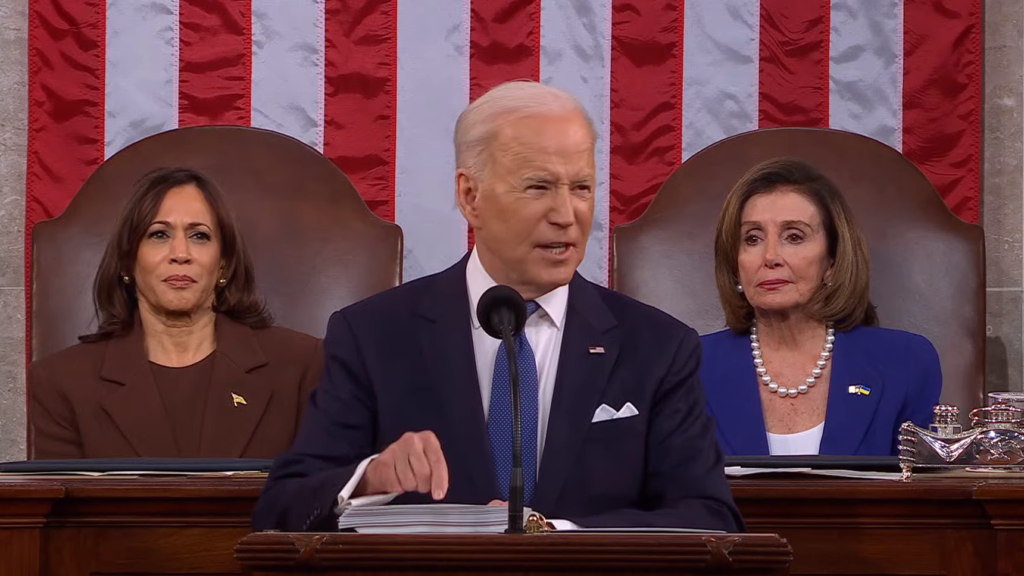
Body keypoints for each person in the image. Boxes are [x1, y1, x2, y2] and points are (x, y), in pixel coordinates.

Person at [251, 81, 742, 533]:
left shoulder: (656, 346)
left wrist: (557, 536)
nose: (566, 216)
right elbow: (283, 509)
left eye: (581, 188)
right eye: (539, 187)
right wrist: (370, 478)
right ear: (470, 196)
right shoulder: (374, 335)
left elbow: (709, 517)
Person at [28, 167, 323, 459]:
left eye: (199, 236)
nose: (180, 253)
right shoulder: (61, 381)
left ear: (223, 264)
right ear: (127, 262)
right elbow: (60, 504)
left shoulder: (301, 364)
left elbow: (322, 494)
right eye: (158, 234)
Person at [700, 158, 941, 456]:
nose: (770, 256)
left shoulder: (905, 363)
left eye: (794, 237)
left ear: (832, 261)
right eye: (752, 238)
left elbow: (928, 493)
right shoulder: (689, 367)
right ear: (736, 264)